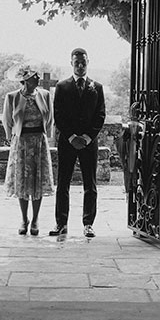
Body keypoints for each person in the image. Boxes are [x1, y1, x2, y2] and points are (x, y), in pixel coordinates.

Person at [50, 47, 106, 238]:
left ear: (88, 62)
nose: (80, 66)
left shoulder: (96, 87)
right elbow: (58, 115)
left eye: (83, 62)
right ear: (71, 63)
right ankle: (61, 223)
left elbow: (100, 116)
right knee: (63, 183)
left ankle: (88, 224)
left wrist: (88, 138)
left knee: (90, 184)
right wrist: (72, 137)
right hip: (68, 142)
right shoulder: (62, 87)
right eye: (76, 62)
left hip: (89, 143)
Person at [1, 64, 55, 235]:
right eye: (34, 76)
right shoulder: (12, 97)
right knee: (22, 181)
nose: (38, 78)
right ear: (25, 80)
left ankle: (36, 219)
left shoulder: (45, 95)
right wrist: (13, 137)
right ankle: (24, 219)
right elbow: (7, 120)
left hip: (39, 141)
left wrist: (46, 135)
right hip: (21, 142)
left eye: (38, 75)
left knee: (38, 181)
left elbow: (50, 118)